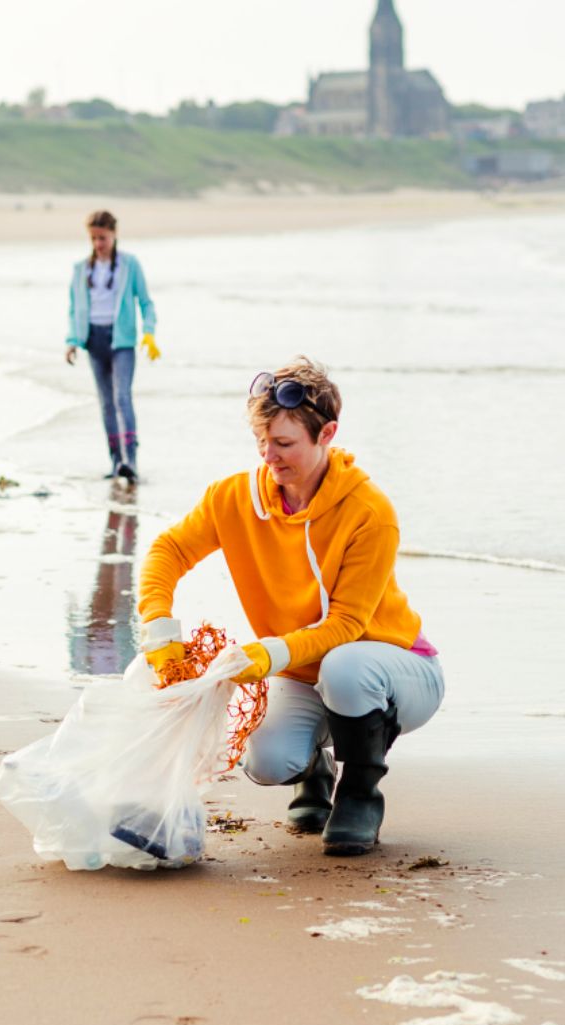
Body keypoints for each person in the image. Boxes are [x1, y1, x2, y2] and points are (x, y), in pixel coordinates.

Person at [137, 359, 444, 856]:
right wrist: (158, 627)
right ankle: (313, 772)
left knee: (345, 666)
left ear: (327, 433)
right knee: (267, 761)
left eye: (284, 444)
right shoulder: (233, 498)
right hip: (302, 671)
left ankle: (360, 793)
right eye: (262, 442)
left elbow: (347, 624)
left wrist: (266, 654)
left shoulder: (370, 512)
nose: (269, 457)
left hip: (397, 668)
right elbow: (167, 551)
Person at [65, 210, 160, 483]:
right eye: (94, 238)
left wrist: (149, 333)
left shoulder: (130, 265)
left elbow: (146, 302)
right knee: (106, 403)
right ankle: (116, 461)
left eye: (103, 238)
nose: (98, 244)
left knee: (122, 397)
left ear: (114, 234)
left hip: (122, 340)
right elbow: (74, 309)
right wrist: (72, 341)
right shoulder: (81, 269)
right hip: (93, 339)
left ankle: (131, 460)